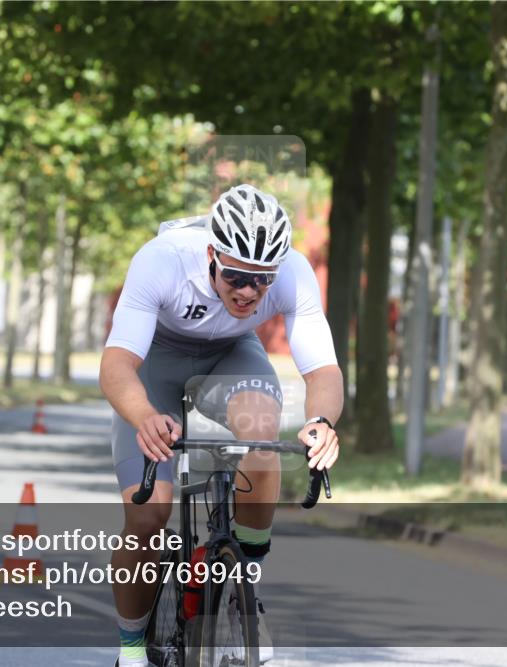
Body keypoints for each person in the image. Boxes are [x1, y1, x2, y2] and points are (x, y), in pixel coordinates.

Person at [101, 184, 342, 666]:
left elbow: (323, 371)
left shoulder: (294, 272)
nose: (249, 291)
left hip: (231, 356)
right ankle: (131, 650)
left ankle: (244, 587)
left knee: (263, 439)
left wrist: (320, 422)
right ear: (213, 254)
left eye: (262, 279)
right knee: (148, 516)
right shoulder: (162, 260)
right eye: (235, 275)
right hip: (157, 361)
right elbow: (117, 366)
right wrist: (145, 416)